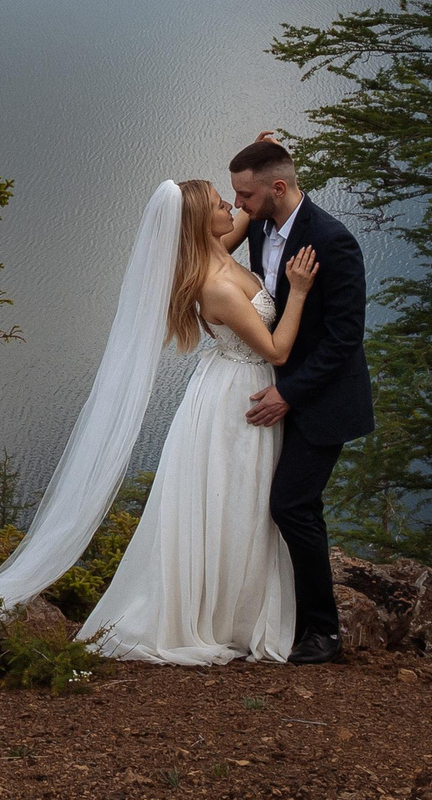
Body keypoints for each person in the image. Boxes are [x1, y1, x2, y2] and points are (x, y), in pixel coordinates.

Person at [70, 179, 315, 662]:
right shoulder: (217, 285)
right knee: (239, 497)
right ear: (203, 223)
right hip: (239, 395)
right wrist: (300, 292)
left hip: (228, 381)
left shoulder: (216, 249)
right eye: (222, 204)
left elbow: (243, 216)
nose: (232, 207)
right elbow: (277, 350)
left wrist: (260, 166)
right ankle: (227, 616)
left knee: (239, 498)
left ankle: (233, 607)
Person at [230, 135, 374, 666]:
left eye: (245, 195)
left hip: (321, 401)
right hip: (273, 389)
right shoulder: (259, 225)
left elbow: (344, 338)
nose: (238, 205)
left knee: (292, 504)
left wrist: (288, 393)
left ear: (278, 188)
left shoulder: (332, 241)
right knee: (260, 503)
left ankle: (323, 632)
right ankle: (277, 619)